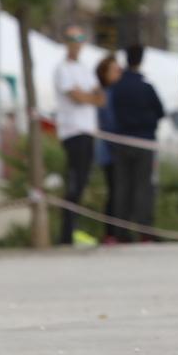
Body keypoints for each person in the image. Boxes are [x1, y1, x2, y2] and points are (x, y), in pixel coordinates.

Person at [108, 45, 166, 243]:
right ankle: (145, 230)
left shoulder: (117, 87)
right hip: (144, 140)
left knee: (122, 185)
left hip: (121, 140)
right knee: (143, 185)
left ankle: (121, 230)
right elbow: (160, 111)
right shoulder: (145, 87)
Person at [53, 26, 105, 245]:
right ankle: (67, 233)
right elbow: (76, 97)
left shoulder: (84, 69)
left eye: (80, 38)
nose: (76, 43)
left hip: (87, 130)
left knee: (83, 182)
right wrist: (88, 97)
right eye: (72, 39)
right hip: (73, 131)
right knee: (74, 182)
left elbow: (99, 96)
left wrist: (88, 97)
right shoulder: (62, 69)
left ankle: (74, 229)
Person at [93, 55, 123, 243]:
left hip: (116, 147)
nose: (118, 73)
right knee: (114, 190)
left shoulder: (114, 92)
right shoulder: (104, 94)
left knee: (118, 190)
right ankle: (111, 232)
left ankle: (117, 231)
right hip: (109, 149)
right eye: (114, 70)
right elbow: (109, 122)